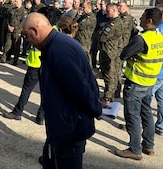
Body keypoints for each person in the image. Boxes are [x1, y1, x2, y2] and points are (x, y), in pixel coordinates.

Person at [22, 12, 103, 168]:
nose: (28, 41)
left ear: (35, 31)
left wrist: (96, 108)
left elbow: (79, 87)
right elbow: (86, 79)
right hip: (66, 125)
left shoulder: (58, 50)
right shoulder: (59, 43)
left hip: (69, 129)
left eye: (27, 35)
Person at [115, 8, 163, 160]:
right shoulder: (159, 36)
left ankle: (135, 149)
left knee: (132, 116)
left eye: (143, 17)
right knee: (146, 113)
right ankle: (148, 145)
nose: (141, 19)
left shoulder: (141, 39)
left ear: (149, 21)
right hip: (150, 81)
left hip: (136, 82)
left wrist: (132, 55)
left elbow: (123, 54)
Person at [1, 43, 44, 124]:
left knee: (26, 90)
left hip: (35, 64)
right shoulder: (54, 31)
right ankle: (41, 117)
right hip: (46, 66)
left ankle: (17, 112)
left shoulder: (38, 31)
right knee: (45, 93)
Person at [151, 3, 163, 136]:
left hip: (158, 68)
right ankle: (161, 126)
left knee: (146, 97)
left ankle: (139, 123)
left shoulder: (161, 29)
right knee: (162, 97)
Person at [98, 3, 124, 103]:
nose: (106, 12)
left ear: (114, 11)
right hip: (110, 50)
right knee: (109, 74)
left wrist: (100, 32)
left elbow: (103, 36)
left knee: (109, 75)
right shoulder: (115, 21)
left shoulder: (114, 23)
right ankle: (111, 94)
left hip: (109, 52)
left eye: (108, 11)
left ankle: (107, 96)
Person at [0, 0, 26, 65]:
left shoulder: (23, 11)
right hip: (10, 29)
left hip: (17, 31)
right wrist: (9, 25)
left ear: (21, 1)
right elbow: (8, 18)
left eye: (17, 2)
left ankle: (15, 61)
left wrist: (15, 28)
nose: (16, 3)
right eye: (15, 1)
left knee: (16, 46)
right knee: (7, 44)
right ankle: (4, 58)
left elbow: (23, 22)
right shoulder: (12, 9)